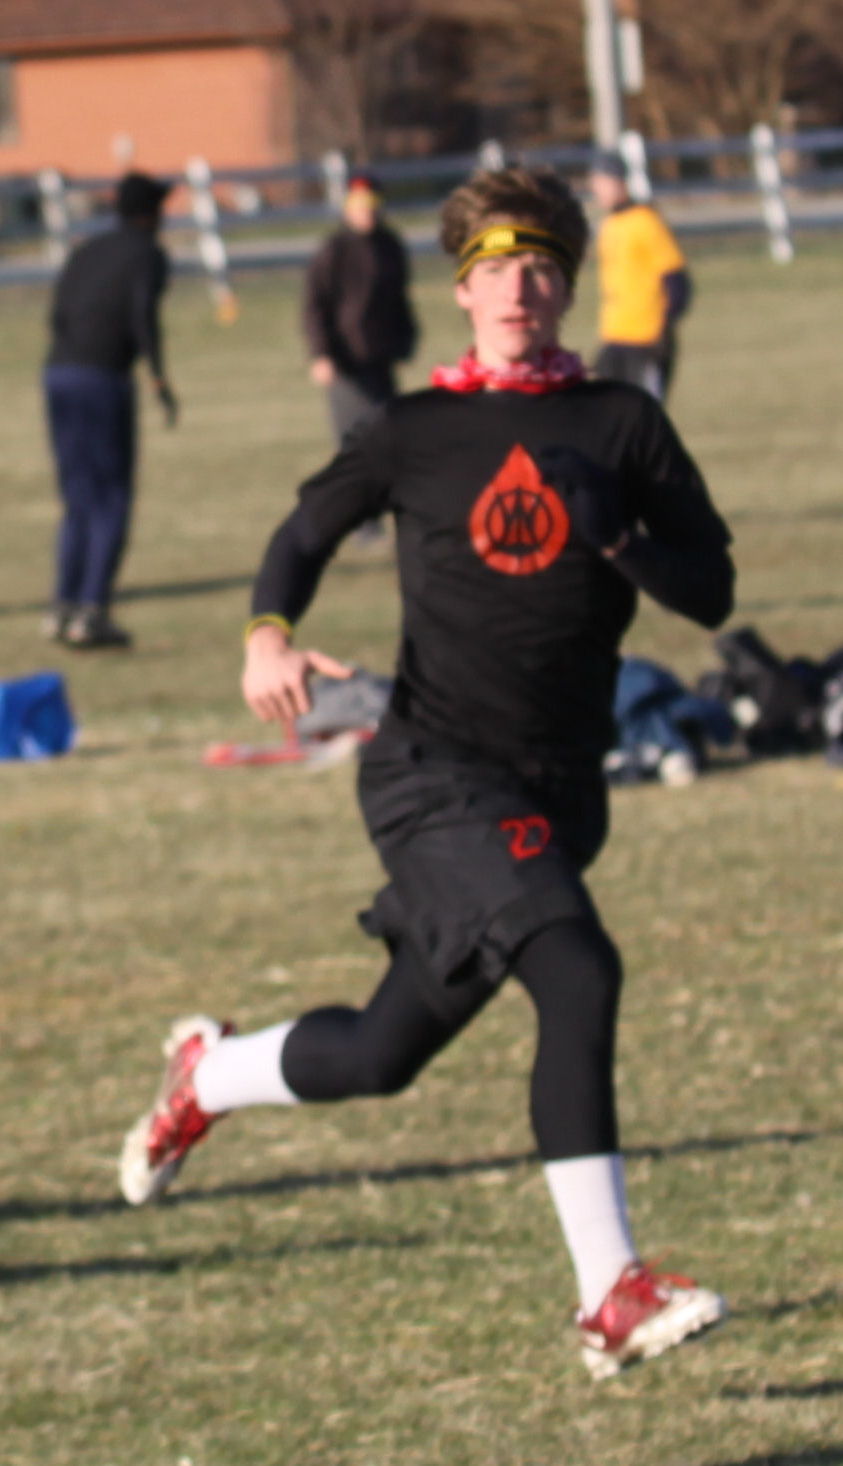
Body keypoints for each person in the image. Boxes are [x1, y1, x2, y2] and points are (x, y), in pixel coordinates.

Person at [119, 166, 735, 1379]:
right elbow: (302, 535)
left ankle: (209, 1075)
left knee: (380, 1053)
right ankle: (609, 1294)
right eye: (496, 269)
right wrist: (266, 635)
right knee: (580, 974)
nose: (520, 289)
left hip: (559, 793)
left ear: (566, 288)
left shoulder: (623, 423)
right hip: (434, 773)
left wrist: (619, 536)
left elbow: (710, 591)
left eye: (542, 268)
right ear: (462, 291)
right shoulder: (415, 429)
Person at [40, 171, 180, 650]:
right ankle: (92, 611)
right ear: (150, 214)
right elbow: (143, 314)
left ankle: (62, 606)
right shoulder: (148, 255)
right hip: (103, 379)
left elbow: (57, 314)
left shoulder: (85, 251)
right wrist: (157, 376)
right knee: (111, 499)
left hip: (59, 374)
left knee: (78, 497)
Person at [302, 172, 417, 543]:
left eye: (373, 205)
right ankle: (362, 523)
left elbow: (400, 299)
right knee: (356, 444)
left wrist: (406, 338)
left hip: (380, 359)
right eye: (359, 205)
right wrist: (321, 354)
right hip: (346, 364)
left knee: (390, 437)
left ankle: (393, 514)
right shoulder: (334, 250)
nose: (367, 212)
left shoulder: (390, 246)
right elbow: (314, 306)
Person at [589, 150, 691, 404]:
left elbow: (677, 281)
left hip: (646, 339)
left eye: (601, 182)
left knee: (643, 412)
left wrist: (663, 328)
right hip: (614, 337)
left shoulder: (646, 222)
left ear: (618, 181)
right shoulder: (608, 225)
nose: (596, 190)